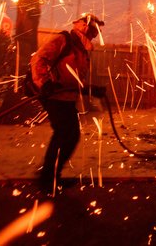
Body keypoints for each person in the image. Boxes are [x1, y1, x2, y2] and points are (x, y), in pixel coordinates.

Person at [31, 13, 105, 192]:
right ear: (84, 27)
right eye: (94, 30)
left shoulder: (81, 49)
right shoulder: (63, 40)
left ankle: (50, 177)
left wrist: (90, 89)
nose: (96, 34)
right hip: (54, 96)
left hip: (66, 98)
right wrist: (44, 82)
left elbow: (73, 80)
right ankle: (48, 179)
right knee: (66, 135)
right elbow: (38, 59)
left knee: (66, 136)